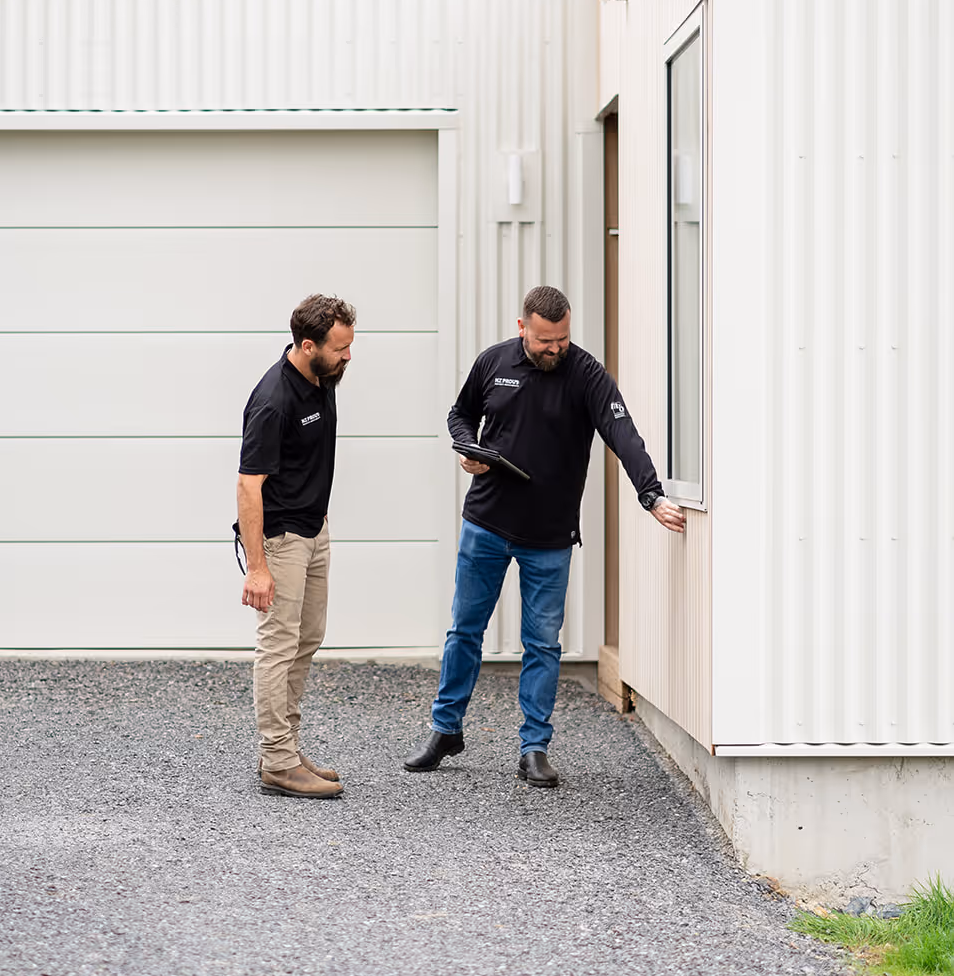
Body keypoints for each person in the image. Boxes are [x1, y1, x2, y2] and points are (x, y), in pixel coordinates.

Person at [405, 284, 685, 789]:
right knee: (464, 632)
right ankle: (445, 730)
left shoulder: (586, 374)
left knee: (542, 645)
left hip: (550, 538)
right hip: (485, 526)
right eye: (543, 340)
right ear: (522, 328)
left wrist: (652, 495)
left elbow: (624, 435)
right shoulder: (494, 362)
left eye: (561, 338)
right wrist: (468, 447)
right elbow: (461, 414)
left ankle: (534, 748)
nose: (554, 348)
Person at [236, 294, 356, 799]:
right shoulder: (273, 400)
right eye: (341, 349)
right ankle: (278, 762)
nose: (348, 357)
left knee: (307, 639)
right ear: (308, 346)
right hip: (281, 540)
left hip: (313, 530)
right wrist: (257, 567)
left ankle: (286, 747)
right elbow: (248, 485)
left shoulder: (322, 378)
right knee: (277, 647)